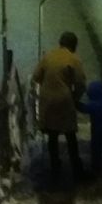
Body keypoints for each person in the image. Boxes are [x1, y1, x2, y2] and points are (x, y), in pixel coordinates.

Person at [32, 30, 87, 184]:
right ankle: (77, 169)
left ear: (60, 42)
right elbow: (81, 83)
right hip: (64, 99)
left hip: (47, 100)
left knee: (52, 135)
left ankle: (55, 168)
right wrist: (74, 98)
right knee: (70, 135)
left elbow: (36, 77)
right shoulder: (73, 59)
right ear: (74, 45)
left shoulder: (48, 56)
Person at [78, 79, 102, 175]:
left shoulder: (93, 104)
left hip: (97, 131)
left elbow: (84, 109)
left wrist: (76, 103)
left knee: (96, 149)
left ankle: (96, 167)